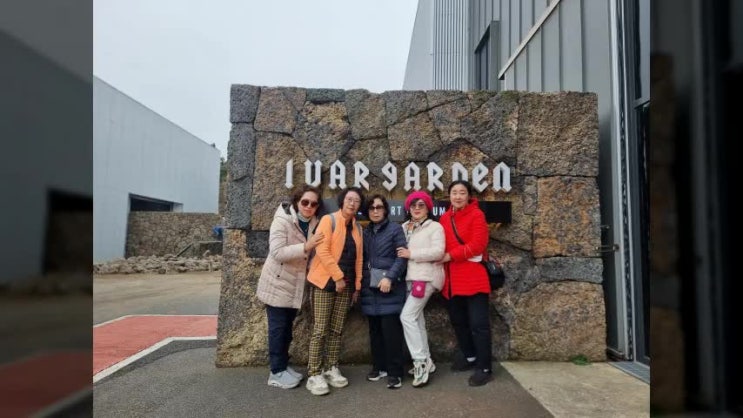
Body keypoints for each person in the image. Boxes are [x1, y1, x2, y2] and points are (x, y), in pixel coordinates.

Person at [255, 185, 325, 389]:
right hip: (277, 284)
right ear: (297, 202)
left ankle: (283, 366)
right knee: (278, 330)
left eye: (313, 204)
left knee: (287, 330)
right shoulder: (282, 220)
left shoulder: (314, 223)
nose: (309, 206)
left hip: (295, 286)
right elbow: (277, 252)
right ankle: (276, 372)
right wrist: (306, 246)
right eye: (305, 202)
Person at [304, 187, 365, 396]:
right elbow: (322, 250)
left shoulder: (358, 228)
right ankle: (314, 373)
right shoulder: (328, 220)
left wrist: (357, 285)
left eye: (356, 201)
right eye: (349, 199)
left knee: (337, 329)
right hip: (325, 282)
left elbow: (359, 259)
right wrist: (338, 277)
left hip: (345, 286)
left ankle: (331, 367)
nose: (352, 203)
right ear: (342, 201)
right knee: (320, 329)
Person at [438, 180, 493, 386]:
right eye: (454, 192)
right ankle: (470, 355)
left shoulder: (477, 215)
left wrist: (450, 255)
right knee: (458, 321)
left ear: (469, 196)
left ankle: (484, 367)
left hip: (473, 278)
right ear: (449, 196)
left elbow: (478, 245)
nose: (458, 196)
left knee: (479, 325)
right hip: (451, 280)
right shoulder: (444, 218)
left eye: (462, 192)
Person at [396, 190, 445, 388]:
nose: (416, 208)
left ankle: (420, 362)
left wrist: (412, 253)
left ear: (428, 208)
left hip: (425, 277)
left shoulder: (435, 227)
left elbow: (438, 251)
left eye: (421, 205)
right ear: (408, 208)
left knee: (406, 317)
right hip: (410, 278)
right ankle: (428, 360)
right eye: (413, 205)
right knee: (417, 320)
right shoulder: (404, 227)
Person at [359, 194, 408, 389]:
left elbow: (402, 258)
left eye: (379, 207)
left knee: (391, 333)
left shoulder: (395, 229)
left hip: (389, 288)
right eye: (371, 208)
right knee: (375, 332)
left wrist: (390, 277)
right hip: (370, 288)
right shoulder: (365, 232)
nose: (375, 211)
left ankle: (395, 372)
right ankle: (379, 367)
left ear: (385, 210)